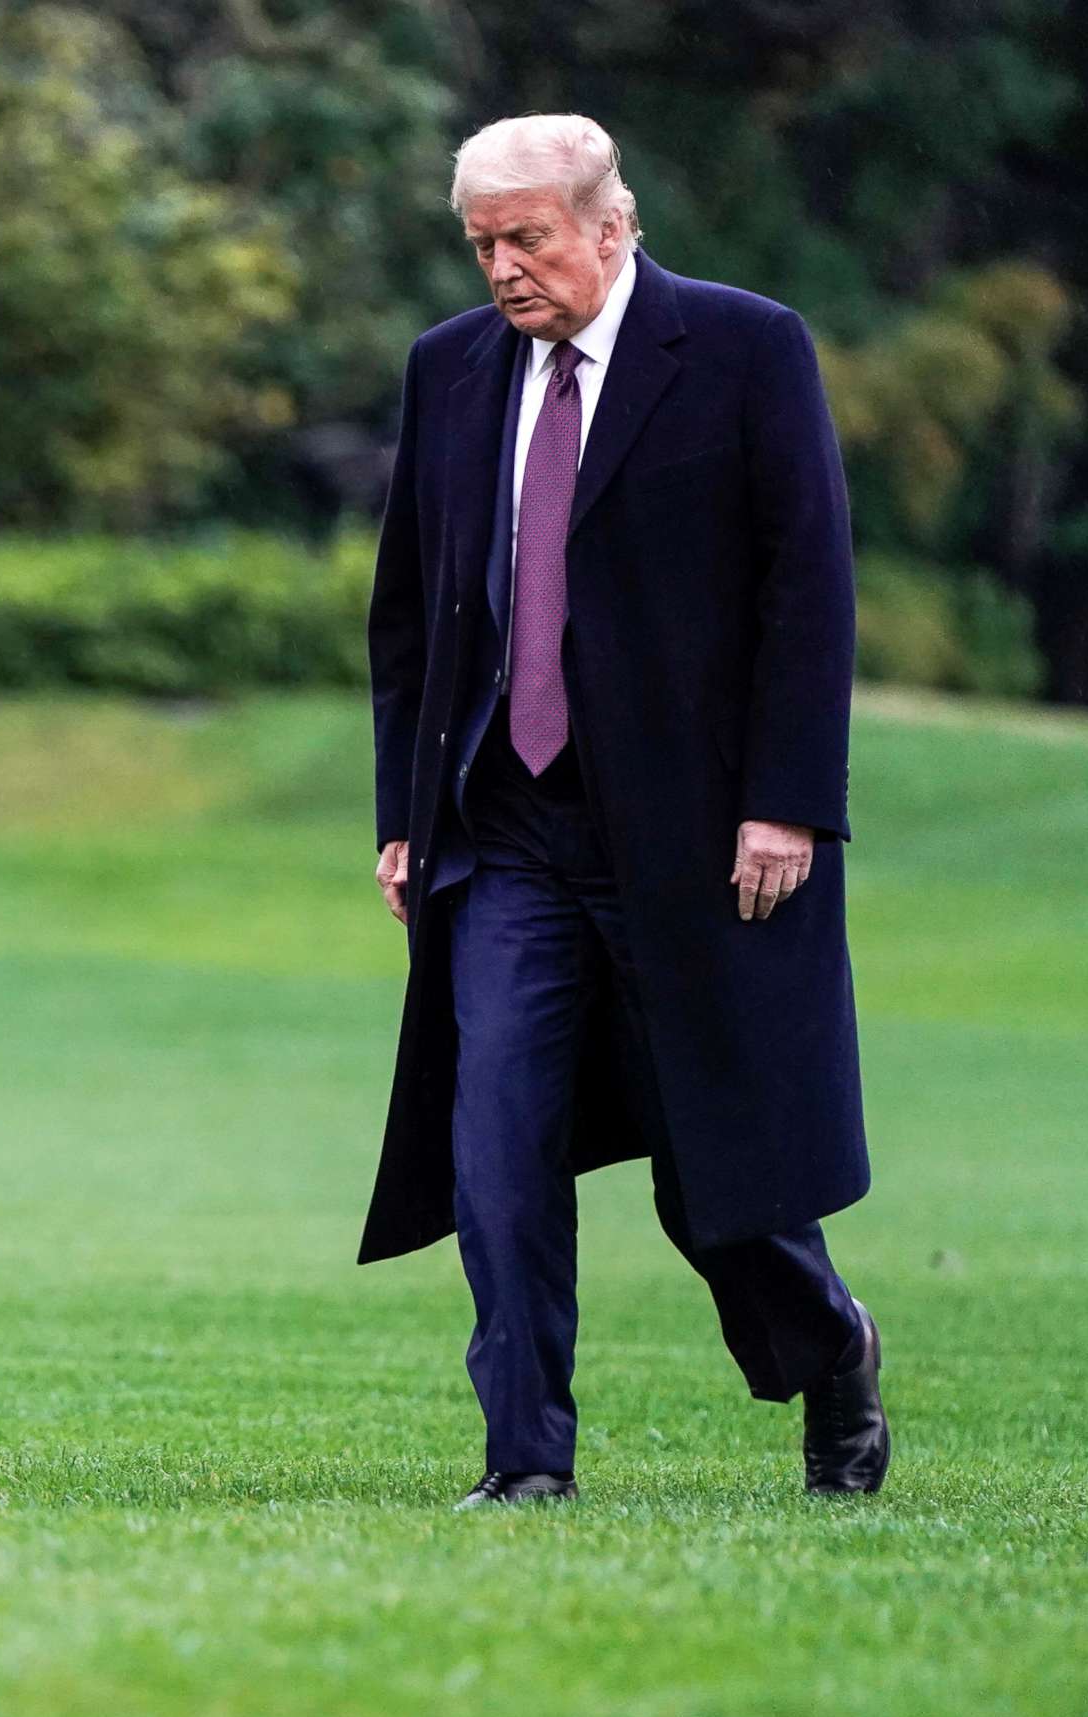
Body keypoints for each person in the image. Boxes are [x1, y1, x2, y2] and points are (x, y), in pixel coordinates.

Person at [359, 113, 889, 1508]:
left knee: (722, 1178)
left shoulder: (743, 348)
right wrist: (406, 810)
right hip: (507, 831)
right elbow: (411, 607)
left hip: (695, 840)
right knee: (498, 1146)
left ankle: (832, 1350)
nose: (503, 269)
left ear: (610, 225)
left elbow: (807, 588)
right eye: (481, 243)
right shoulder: (453, 370)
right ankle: (526, 1459)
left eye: (526, 237)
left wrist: (786, 803)